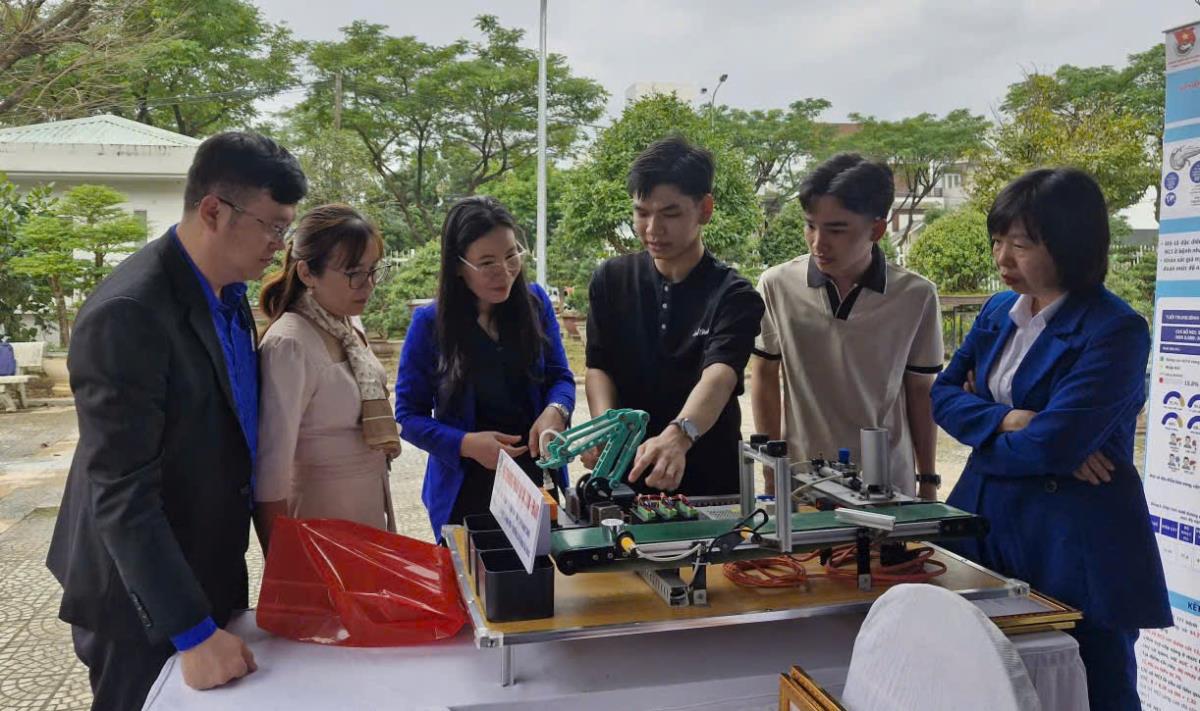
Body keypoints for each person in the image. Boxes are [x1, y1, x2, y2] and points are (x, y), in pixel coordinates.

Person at [45, 132, 307, 708]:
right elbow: (121, 490)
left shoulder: (228, 294)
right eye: (271, 226)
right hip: (138, 595)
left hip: (207, 566)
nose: (279, 245)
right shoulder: (130, 313)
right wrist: (191, 630)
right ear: (213, 211)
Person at [931, 168, 1171, 710]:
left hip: (1073, 541)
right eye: (998, 241)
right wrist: (1012, 420)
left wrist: (996, 425)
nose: (1003, 258)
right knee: (985, 684)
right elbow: (941, 396)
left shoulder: (1114, 329)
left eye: (1020, 245)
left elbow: (1054, 445)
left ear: (1071, 245)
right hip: (986, 528)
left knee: (1092, 687)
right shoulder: (998, 311)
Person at [751, 153, 943, 498]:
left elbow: (920, 391)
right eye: (811, 225)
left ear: (877, 229)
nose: (818, 242)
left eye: (836, 230)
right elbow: (764, 377)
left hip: (888, 482)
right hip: (803, 480)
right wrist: (771, 471)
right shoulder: (777, 286)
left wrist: (927, 480)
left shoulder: (916, 296)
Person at [585, 136, 764, 495]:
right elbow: (598, 366)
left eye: (670, 214)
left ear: (705, 209)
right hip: (624, 478)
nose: (653, 229)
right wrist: (606, 427)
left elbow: (720, 376)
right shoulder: (611, 280)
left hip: (709, 483)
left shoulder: (733, 295)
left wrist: (679, 435)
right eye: (642, 213)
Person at [395, 196, 575, 538]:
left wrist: (557, 410)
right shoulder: (430, 324)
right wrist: (466, 444)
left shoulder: (535, 304)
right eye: (487, 263)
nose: (504, 272)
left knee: (546, 568)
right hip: (466, 489)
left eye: (511, 255)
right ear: (458, 266)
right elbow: (407, 416)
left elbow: (560, 377)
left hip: (535, 481)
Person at [253, 204, 400, 551]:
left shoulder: (347, 323)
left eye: (373, 270)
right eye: (354, 273)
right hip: (321, 525)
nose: (368, 285)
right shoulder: (290, 344)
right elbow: (271, 475)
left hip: (367, 513)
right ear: (307, 273)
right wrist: (286, 561)